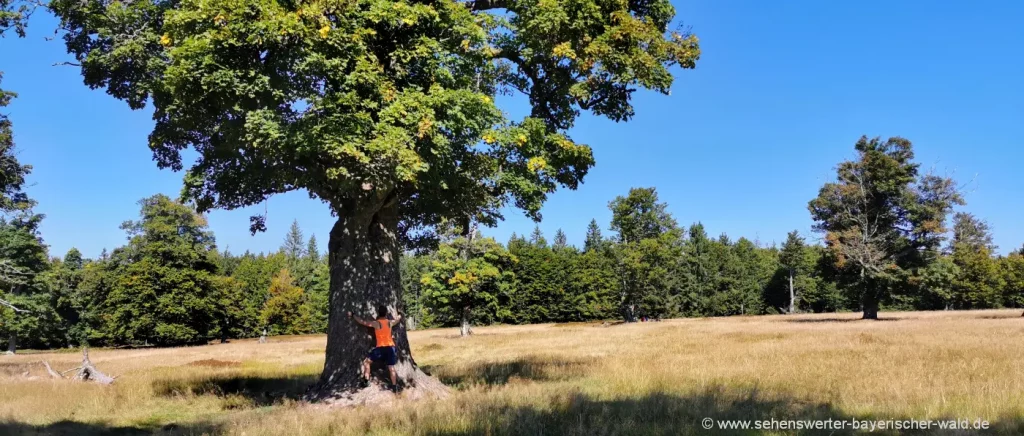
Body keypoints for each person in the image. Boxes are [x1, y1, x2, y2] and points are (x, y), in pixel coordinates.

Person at [348, 306, 403, 392]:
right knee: (391, 367)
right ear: (386, 313)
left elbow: (363, 322)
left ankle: (366, 381)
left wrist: (353, 315)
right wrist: (399, 313)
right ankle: (394, 387)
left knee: (366, 362)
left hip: (380, 348)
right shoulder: (390, 322)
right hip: (390, 347)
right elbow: (398, 319)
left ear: (378, 313)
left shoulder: (376, 323)